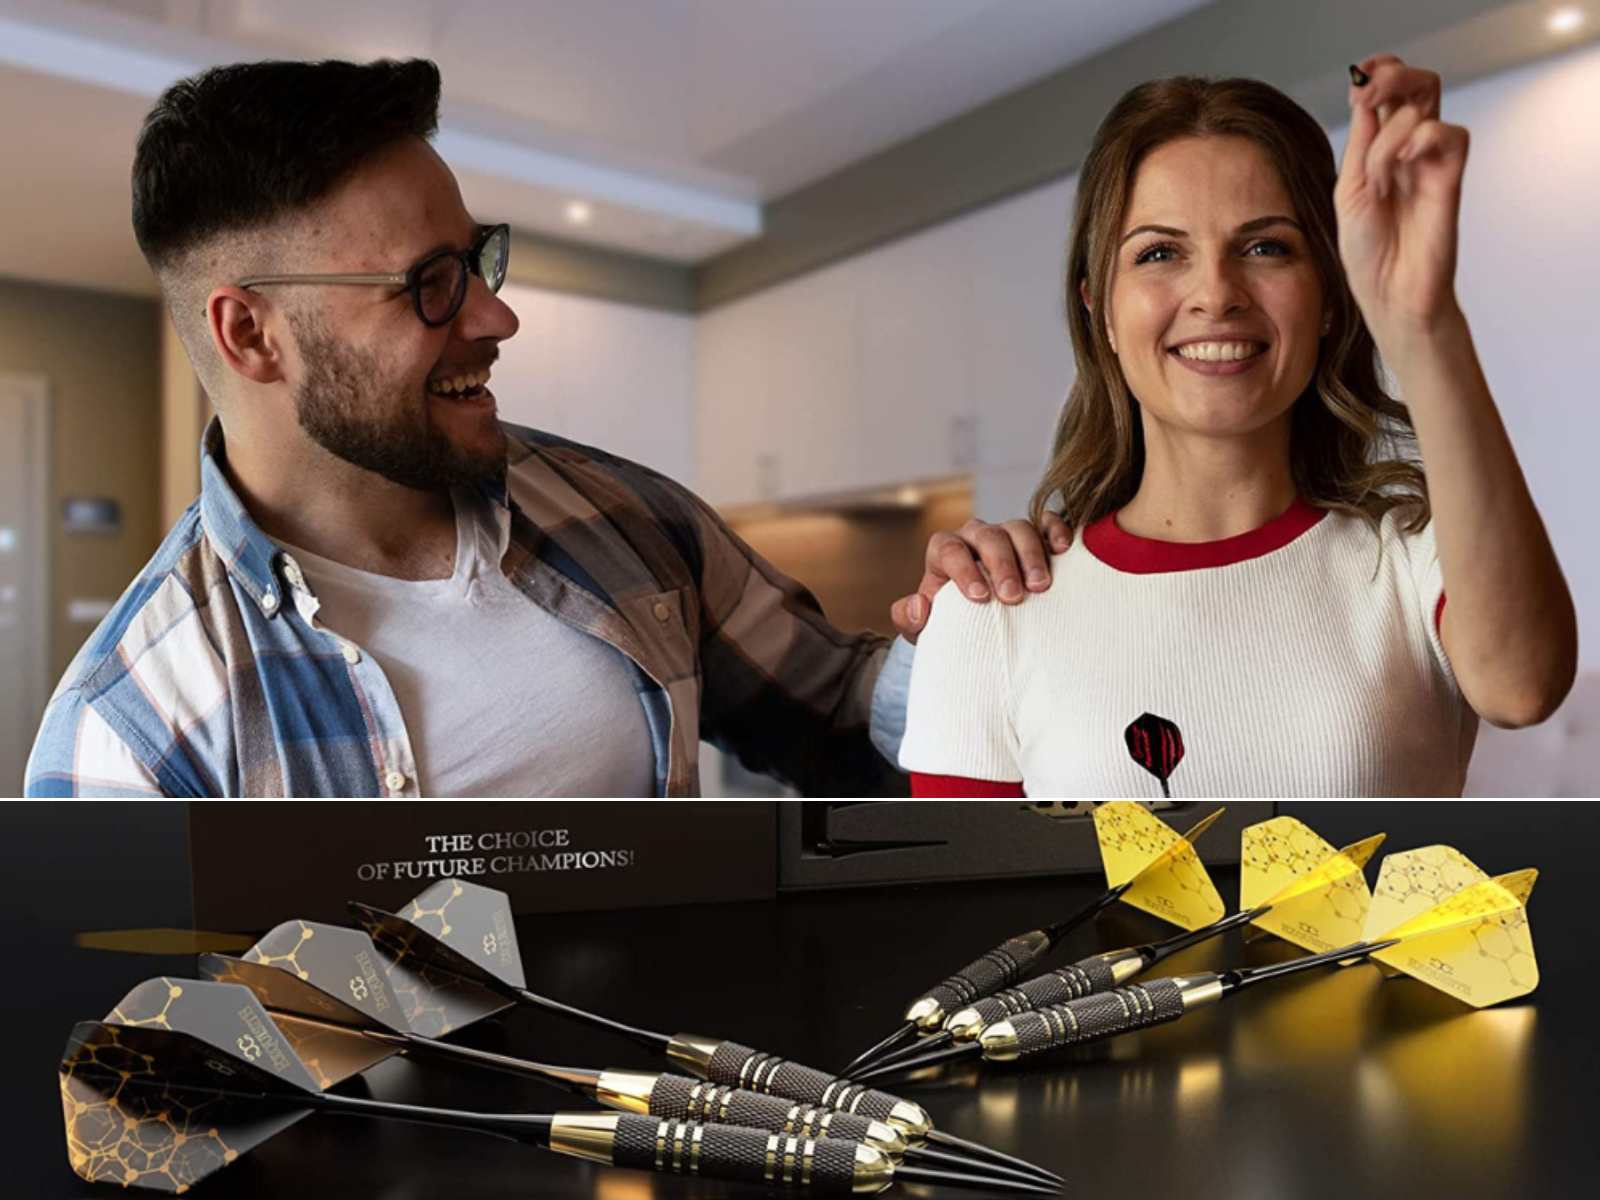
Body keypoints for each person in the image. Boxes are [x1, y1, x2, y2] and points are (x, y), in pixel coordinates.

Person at [20, 57, 1043, 799]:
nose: (496, 317)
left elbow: (838, 716)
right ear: (251, 334)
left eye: (477, 262)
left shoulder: (627, 517)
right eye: (428, 284)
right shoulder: (132, 732)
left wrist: (955, 624)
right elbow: (150, 1086)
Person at [898, 55, 1578, 798]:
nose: (1216, 294)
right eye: (1159, 253)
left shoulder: (1413, 561)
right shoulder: (992, 610)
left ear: (1326, 297)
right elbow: (969, 908)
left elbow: (1522, 690)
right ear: (1101, 311)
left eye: (1267, 247)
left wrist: (1422, 318)